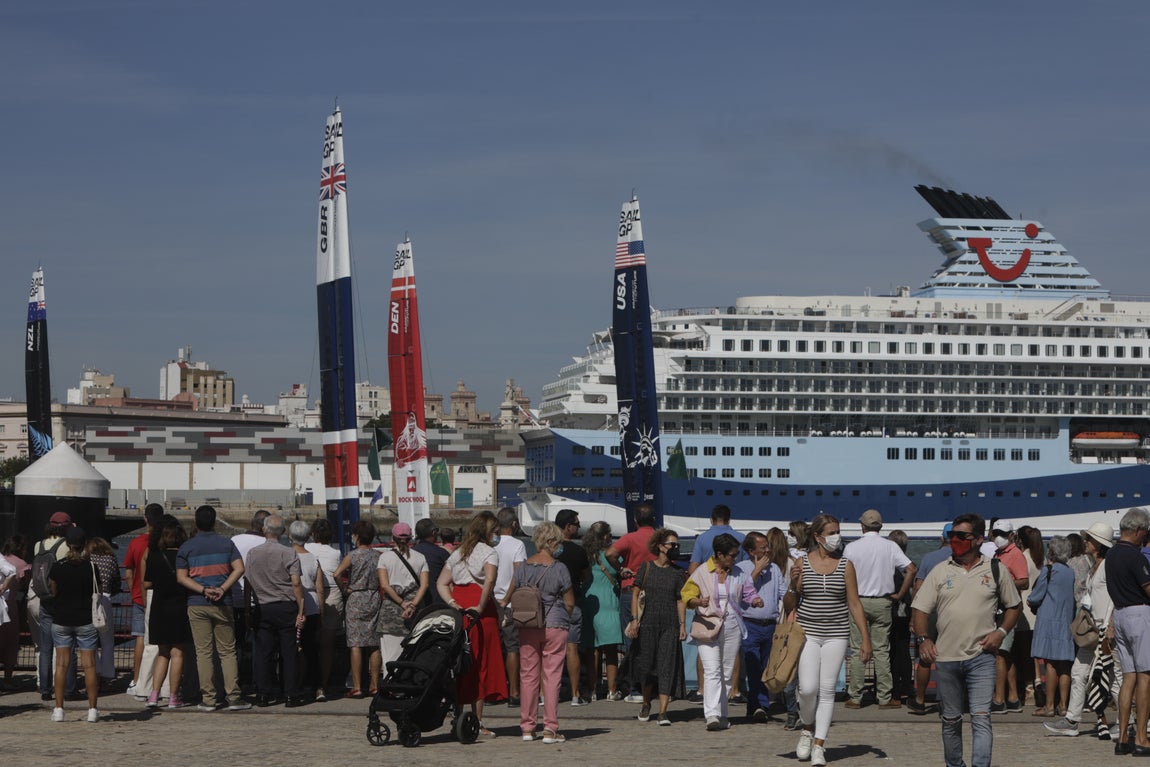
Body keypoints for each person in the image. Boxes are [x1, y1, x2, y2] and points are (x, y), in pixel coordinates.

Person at [912, 512, 1021, 767]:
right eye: (952, 535)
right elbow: (920, 610)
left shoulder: (996, 569)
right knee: (950, 720)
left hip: (981, 656)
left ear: (978, 539)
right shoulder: (940, 571)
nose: (955, 540)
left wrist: (1001, 632)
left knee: (982, 717)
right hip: (947, 657)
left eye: (962, 536)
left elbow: (1013, 606)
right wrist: (924, 639)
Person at [784, 513, 871, 767]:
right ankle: (807, 729)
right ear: (817, 537)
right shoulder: (801, 562)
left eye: (837, 531)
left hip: (837, 633)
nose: (836, 537)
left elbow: (854, 603)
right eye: (831, 532)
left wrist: (865, 639)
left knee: (827, 689)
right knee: (807, 688)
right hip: (807, 632)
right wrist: (792, 584)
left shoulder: (846, 565)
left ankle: (820, 744)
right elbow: (790, 604)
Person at [437, 510, 508, 735]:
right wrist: (480, 603)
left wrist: (452, 602)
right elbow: (490, 579)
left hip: (460, 610)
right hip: (481, 613)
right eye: (495, 531)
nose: (498, 535)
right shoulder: (489, 553)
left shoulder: (458, 553)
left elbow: (441, 582)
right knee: (480, 665)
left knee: (460, 664)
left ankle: (458, 716)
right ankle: (476, 721)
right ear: (488, 532)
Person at [683, 533, 762, 731]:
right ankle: (711, 714)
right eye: (732, 555)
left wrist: (754, 600)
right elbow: (687, 594)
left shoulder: (739, 573)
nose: (735, 559)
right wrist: (697, 602)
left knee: (726, 673)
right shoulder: (702, 572)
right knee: (712, 670)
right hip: (708, 625)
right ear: (720, 554)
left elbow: (748, 591)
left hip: (732, 624)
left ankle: (723, 713)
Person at [175, 504, 251, 712]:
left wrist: (202, 589)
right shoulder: (227, 544)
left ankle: (208, 699)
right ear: (215, 521)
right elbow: (240, 569)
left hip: (197, 604)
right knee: (227, 651)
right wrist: (223, 588)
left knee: (204, 653)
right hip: (223, 602)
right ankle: (233, 697)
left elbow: (181, 577)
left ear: (196, 523)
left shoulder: (187, 547)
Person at [1045, 522, 1114, 737]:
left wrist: (1111, 624)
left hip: (1104, 630)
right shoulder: (1094, 566)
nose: (1085, 542)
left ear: (1099, 544)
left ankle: (1128, 721)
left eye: (1090, 540)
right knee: (1078, 672)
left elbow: (1114, 597)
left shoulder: (1107, 567)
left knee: (1113, 678)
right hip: (1091, 631)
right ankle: (1072, 720)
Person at [842, 509, 916, 709]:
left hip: (858, 601)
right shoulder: (890, 546)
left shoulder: (851, 548)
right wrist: (900, 594)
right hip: (883, 601)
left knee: (858, 648)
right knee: (882, 650)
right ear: (880, 526)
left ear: (862, 525)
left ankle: (855, 696)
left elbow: (843, 576)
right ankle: (884, 697)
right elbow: (911, 569)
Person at [514, 522, 575, 744]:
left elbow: (516, 591)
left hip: (528, 624)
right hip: (555, 623)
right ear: (550, 542)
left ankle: (527, 728)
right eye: (558, 541)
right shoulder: (559, 568)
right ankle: (550, 728)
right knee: (552, 677)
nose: (560, 546)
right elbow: (570, 602)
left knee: (528, 675)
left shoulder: (523, 567)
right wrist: (563, 614)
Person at [624, 527, 686, 726]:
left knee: (666, 666)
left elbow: (680, 600)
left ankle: (663, 712)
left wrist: (682, 624)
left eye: (677, 544)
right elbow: (635, 593)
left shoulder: (678, 572)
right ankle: (645, 703)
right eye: (671, 544)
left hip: (669, 624)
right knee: (647, 666)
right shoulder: (647, 567)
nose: (675, 548)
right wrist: (635, 619)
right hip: (648, 623)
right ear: (660, 546)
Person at [245, 514, 306, 707]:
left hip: (263, 605)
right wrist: (301, 609)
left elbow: (248, 583)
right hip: (286, 605)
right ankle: (291, 694)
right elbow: (296, 583)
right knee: (289, 652)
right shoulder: (289, 553)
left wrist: (247, 608)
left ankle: (263, 694)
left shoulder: (253, 553)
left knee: (264, 653)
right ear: (283, 532)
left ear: (264, 530)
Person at [688, 505, 747, 704]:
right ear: (729, 519)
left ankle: (702, 689)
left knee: (705, 649)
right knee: (732, 652)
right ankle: (734, 691)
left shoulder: (702, 538)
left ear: (711, 519)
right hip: (733, 604)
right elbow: (745, 569)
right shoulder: (741, 537)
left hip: (708, 609)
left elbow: (693, 567)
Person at [1104, 507, 1150, 756]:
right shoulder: (1136, 557)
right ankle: (1142, 738)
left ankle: (1123, 737)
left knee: (1129, 676)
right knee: (1145, 676)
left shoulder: (1111, 554)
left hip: (1120, 614)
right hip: (1139, 614)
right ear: (1138, 530)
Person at [47, 526, 103, 722]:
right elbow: (98, 593)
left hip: (61, 619)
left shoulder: (57, 567)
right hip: (85, 619)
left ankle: (59, 709)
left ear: (67, 544)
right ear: (84, 545)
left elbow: (53, 592)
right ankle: (92, 710)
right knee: (89, 666)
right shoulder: (92, 568)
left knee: (61, 664)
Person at [606, 501, 658, 696]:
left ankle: (634, 687)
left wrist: (621, 569)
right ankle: (652, 685)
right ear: (653, 519)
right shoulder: (658, 538)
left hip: (630, 591)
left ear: (635, 520)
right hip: (654, 591)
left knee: (632, 640)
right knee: (653, 639)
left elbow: (610, 553)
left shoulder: (629, 538)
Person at [735, 531, 787, 722]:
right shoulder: (740, 568)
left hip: (770, 625)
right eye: (762, 547)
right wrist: (756, 571)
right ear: (751, 551)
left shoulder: (774, 569)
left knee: (767, 667)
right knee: (753, 665)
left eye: (768, 546)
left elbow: (783, 593)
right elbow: (739, 593)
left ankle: (757, 706)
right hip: (750, 623)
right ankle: (759, 705)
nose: (767, 550)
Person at [143, 515, 193, 709]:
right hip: (181, 606)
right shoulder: (184, 556)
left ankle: (154, 695)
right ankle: (173, 696)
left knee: (162, 653)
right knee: (178, 653)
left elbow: (147, 583)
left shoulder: (155, 555)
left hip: (159, 607)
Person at [333, 520, 382, 699]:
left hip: (356, 597)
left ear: (358, 537)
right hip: (374, 597)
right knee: (374, 642)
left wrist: (345, 589)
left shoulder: (352, 556)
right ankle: (375, 685)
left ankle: (357, 686)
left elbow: (337, 573)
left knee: (355, 642)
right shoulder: (378, 555)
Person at [1028, 535, 1075, 717]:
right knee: (1064, 665)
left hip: (1049, 620)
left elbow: (1036, 596)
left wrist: (1030, 601)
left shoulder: (1049, 570)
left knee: (1050, 664)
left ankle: (1049, 705)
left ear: (1053, 551)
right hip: (1065, 620)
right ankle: (1063, 705)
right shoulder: (1069, 571)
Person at [909, 522, 953, 715]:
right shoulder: (963, 557)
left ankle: (919, 699)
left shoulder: (929, 558)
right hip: (951, 612)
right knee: (950, 657)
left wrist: (913, 618)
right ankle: (947, 701)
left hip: (929, 612)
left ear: (942, 538)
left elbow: (918, 588)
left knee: (925, 657)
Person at [122, 502, 164, 699]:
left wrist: (133, 591)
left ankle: (137, 679)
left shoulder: (136, 543)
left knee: (140, 637)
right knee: (163, 640)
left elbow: (129, 572)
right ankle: (160, 682)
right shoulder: (165, 541)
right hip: (162, 595)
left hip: (140, 596)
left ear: (145, 519)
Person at [30, 512, 74, 702]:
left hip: (44, 598)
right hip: (62, 600)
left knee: (45, 646)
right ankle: (69, 688)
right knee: (67, 645)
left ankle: (45, 688)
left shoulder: (38, 545)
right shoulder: (66, 545)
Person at [989, 520, 1029, 713]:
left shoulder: (1015, 554)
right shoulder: (999, 554)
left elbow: (1024, 581)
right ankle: (1012, 698)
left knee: (1000, 655)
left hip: (1008, 610)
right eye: (996, 532)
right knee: (1006, 655)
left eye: (1003, 534)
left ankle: (999, 699)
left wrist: (1004, 583)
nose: (999, 537)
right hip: (999, 608)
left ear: (1011, 535)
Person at [376, 521, 428, 668]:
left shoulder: (384, 558)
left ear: (393, 537)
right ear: (411, 537)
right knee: (412, 655)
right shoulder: (420, 558)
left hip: (391, 611)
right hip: (415, 611)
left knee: (389, 655)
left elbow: (385, 585)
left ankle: (391, 686)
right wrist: (412, 604)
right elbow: (424, 585)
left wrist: (401, 603)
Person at [553, 508, 591, 706]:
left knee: (549, 650)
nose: (578, 526)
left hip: (551, 605)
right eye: (576, 523)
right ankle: (576, 694)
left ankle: (546, 694)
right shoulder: (578, 551)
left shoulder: (549, 550)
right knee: (572, 648)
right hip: (573, 602)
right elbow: (586, 576)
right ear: (568, 526)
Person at [582, 520, 623, 701]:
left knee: (593, 650)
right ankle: (612, 690)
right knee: (611, 649)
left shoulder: (586, 556)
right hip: (609, 603)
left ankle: (592, 689)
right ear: (605, 536)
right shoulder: (613, 555)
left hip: (589, 603)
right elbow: (620, 571)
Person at [303, 517, 341, 700]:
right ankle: (322, 686)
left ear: (312, 533)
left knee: (305, 641)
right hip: (332, 593)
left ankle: (305, 682)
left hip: (309, 592)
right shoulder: (336, 553)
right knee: (327, 646)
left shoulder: (307, 549)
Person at [492, 507, 526, 706]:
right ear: (514, 524)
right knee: (512, 647)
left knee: (493, 647)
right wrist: (507, 597)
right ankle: (514, 692)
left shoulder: (490, 544)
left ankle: (494, 690)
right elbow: (518, 574)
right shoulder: (518, 545)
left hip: (489, 601)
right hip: (508, 602)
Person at [289, 520, 325, 700]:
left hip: (293, 604)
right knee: (312, 649)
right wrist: (322, 612)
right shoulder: (313, 558)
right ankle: (318, 687)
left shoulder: (287, 555)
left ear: (290, 537)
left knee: (292, 648)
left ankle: (295, 685)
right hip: (311, 605)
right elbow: (319, 588)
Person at [782, 520, 810, 730]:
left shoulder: (807, 560)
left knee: (802, 671)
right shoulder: (786, 559)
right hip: (790, 616)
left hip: (802, 617)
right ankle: (794, 711)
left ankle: (800, 712)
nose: (788, 536)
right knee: (790, 669)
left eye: (791, 533)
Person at [85, 537, 120, 687]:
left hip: (88, 599)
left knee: (90, 640)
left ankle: (95, 672)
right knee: (107, 641)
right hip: (105, 599)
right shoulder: (111, 559)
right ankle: (107, 674)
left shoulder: (87, 559)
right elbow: (117, 582)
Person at [886, 529, 915, 706]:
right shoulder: (909, 565)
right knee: (904, 652)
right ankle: (907, 688)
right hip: (906, 613)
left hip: (893, 612)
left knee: (891, 652)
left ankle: (895, 690)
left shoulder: (891, 568)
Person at [0, 537, 29, 690]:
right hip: (11, 606)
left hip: (3, 603)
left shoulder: (2, 558)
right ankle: (8, 679)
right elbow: (25, 585)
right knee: (10, 643)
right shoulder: (22, 564)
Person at [412, 518, 449, 607]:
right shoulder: (442, 553)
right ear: (433, 532)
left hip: (414, 601)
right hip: (437, 602)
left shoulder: (410, 553)